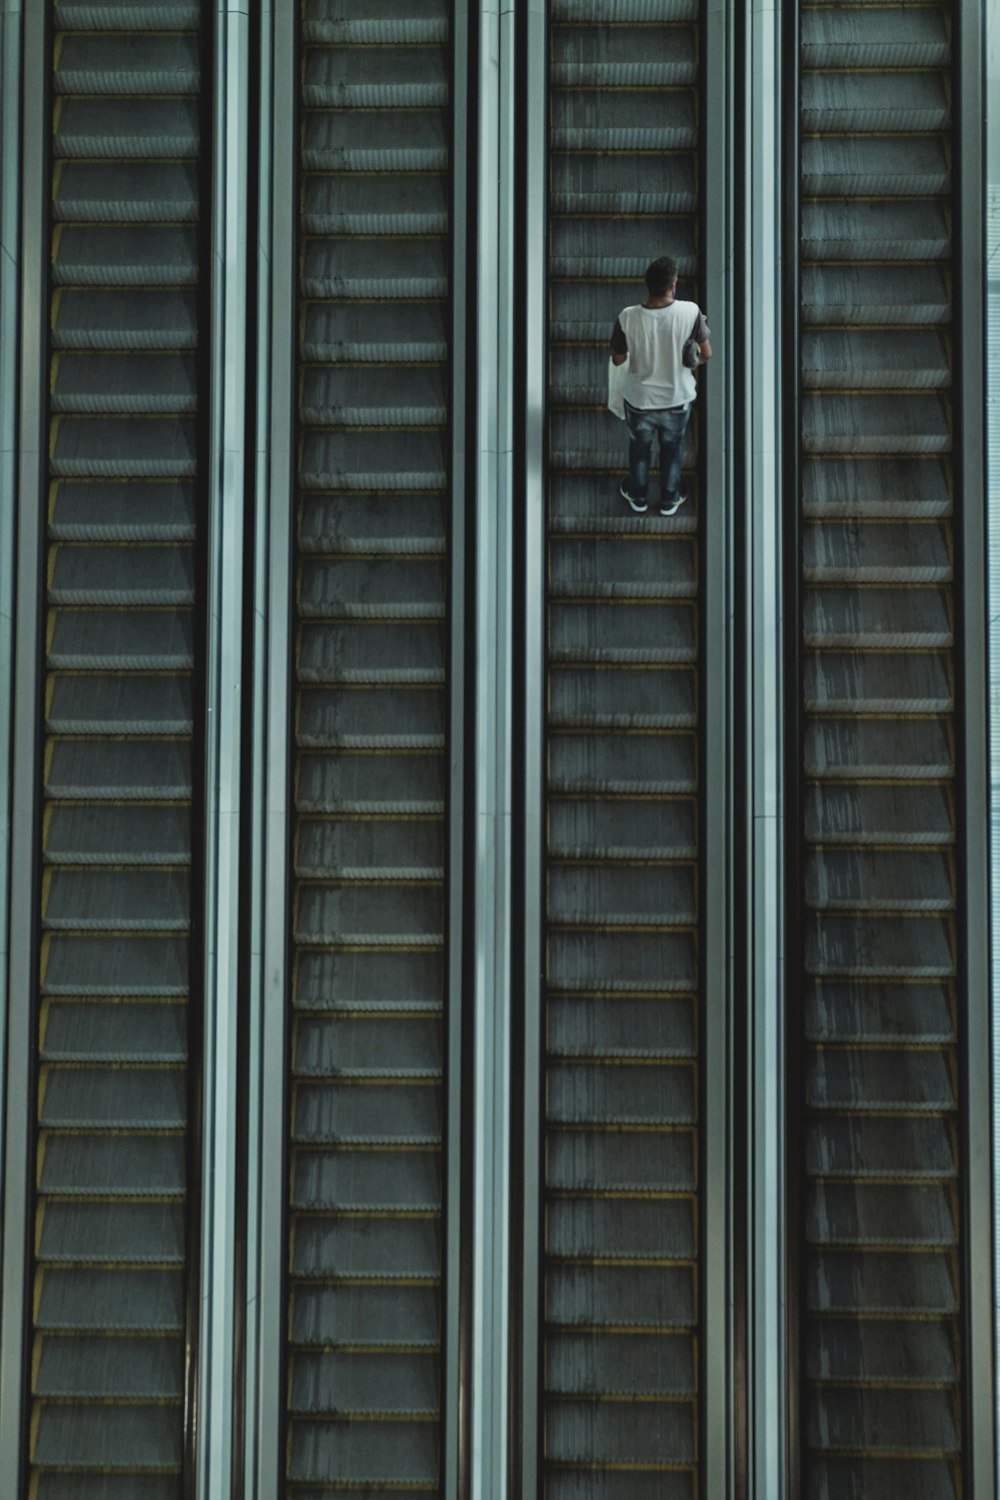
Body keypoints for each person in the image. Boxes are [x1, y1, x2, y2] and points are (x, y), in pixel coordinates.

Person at [610, 255, 712, 516]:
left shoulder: (627, 317)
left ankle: (639, 496)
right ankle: (669, 498)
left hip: (639, 400)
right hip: (677, 400)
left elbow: (618, 358)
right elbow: (706, 353)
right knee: (672, 449)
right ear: (673, 285)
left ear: (647, 285)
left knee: (639, 448)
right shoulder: (691, 312)